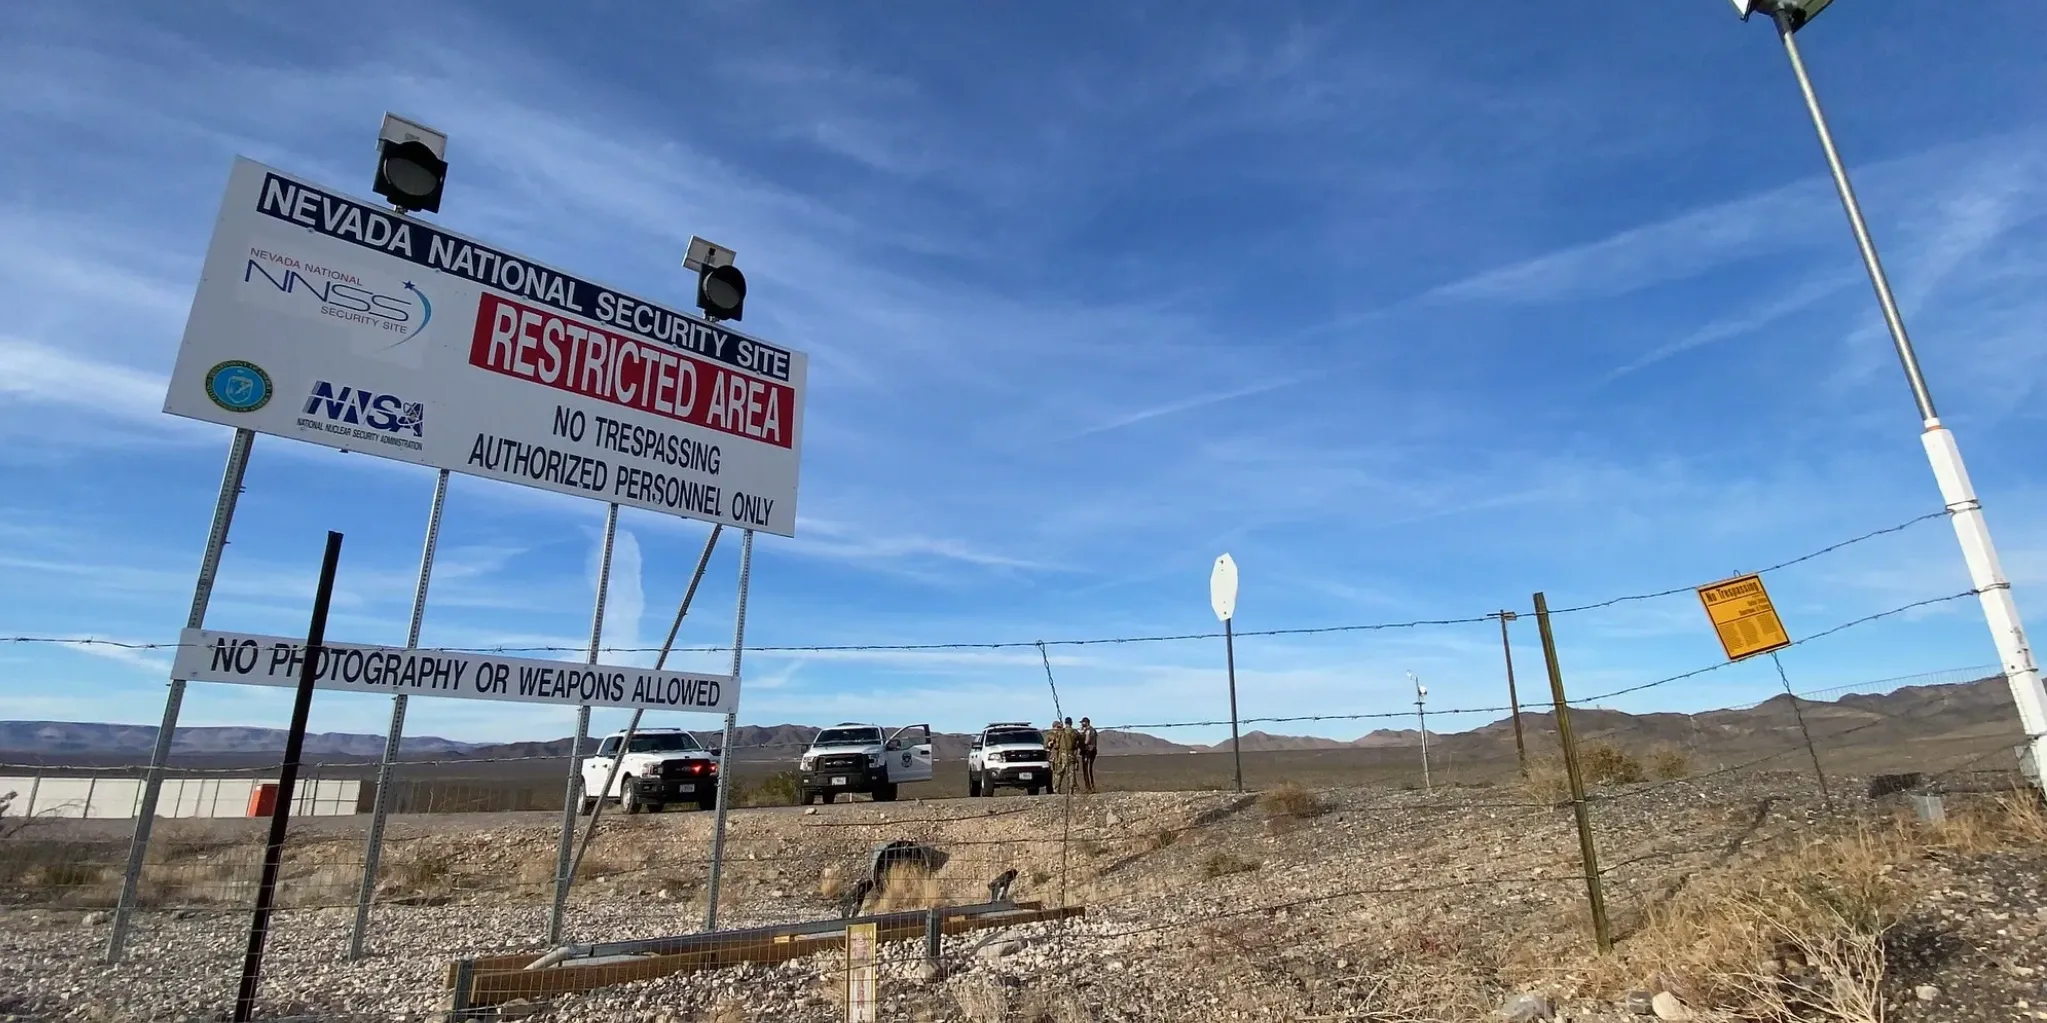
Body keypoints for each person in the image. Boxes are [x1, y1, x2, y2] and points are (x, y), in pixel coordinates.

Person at [1049, 717, 1078, 794]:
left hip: (1061, 756)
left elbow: (1056, 745)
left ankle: (1056, 790)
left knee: (1059, 773)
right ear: (1071, 723)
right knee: (1071, 773)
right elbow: (1078, 743)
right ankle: (1070, 790)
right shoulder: (1075, 732)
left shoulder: (1060, 732)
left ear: (1065, 723)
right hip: (1071, 754)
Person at [1078, 716, 1099, 794]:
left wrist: (1080, 742)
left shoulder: (1088, 731)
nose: (1081, 724)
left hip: (1088, 751)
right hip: (1092, 751)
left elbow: (1086, 741)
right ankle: (1091, 787)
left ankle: (1089, 787)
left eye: (1082, 723)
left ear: (1086, 723)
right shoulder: (1093, 730)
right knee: (1089, 769)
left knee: (1086, 769)